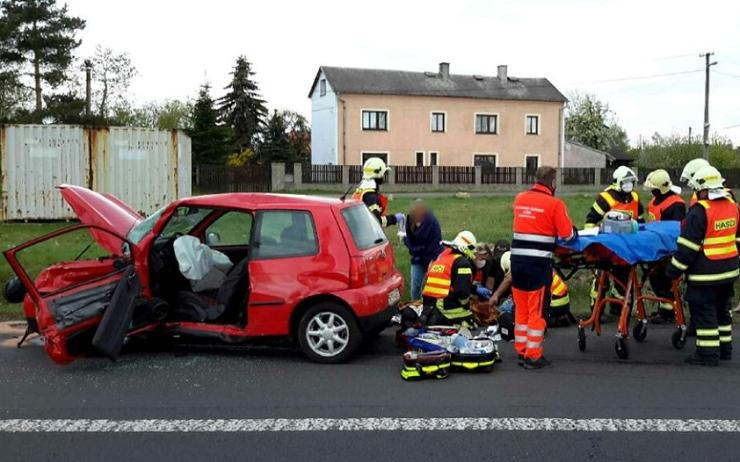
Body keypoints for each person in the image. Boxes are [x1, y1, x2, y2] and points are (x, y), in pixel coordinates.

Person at [666, 165, 739, 366]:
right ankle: (725, 350)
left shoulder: (700, 211)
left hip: (705, 275)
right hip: (729, 271)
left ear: (703, 188)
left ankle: (708, 354)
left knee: (704, 313)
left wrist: (673, 270)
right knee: (722, 311)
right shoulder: (733, 205)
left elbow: (687, 248)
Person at [510, 166, 576, 369]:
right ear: (553, 182)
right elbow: (567, 236)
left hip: (517, 263)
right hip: (538, 265)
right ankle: (534, 356)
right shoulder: (555, 204)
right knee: (537, 312)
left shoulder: (520, 199)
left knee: (521, 310)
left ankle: (522, 351)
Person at [585, 165, 644, 316]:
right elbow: (591, 220)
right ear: (618, 182)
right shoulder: (606, 198)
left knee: (623, 279)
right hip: (606, 247)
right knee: (600, 282)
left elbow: (640, 221)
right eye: (626, 181)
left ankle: (617, 310)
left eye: (631, 181)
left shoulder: (635, 198)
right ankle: (596, 311)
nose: (629, 184)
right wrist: (593, 244)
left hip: (626, 248)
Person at [643, 169, 687, 324]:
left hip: (669, 251)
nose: (651, 192)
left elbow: (675, 231)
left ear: (660, 188)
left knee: (667, 280)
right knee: (656, 279)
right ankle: (665, 310)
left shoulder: (676, 205)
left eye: (653, 189)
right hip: (655, 249)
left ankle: (669, 312)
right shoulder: (653, 203)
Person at [417, 230, 480, 326]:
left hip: (428, 308)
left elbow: (447, 283)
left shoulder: (442, 258)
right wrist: (467, 305)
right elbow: (462, 293)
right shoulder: (463, 263)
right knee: (472, 322)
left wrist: (475, 289)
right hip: (445, 309)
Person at [401, 199, 443, 300]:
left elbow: (434, 244)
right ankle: (416, 306)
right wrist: (412, 247)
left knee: (433, 286)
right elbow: (410, 240)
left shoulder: (432, 222)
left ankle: (432, 307)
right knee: (415, 285)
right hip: (417, 258)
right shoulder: (410, 220)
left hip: (432, 257)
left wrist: (432, 259)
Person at [352, 157, 403, 227]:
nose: (383, 177)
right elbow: (376, 222)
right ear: (377, 173)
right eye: (383, 174)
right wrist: (394, 218)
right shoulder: (371, 196)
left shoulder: (361, 191)